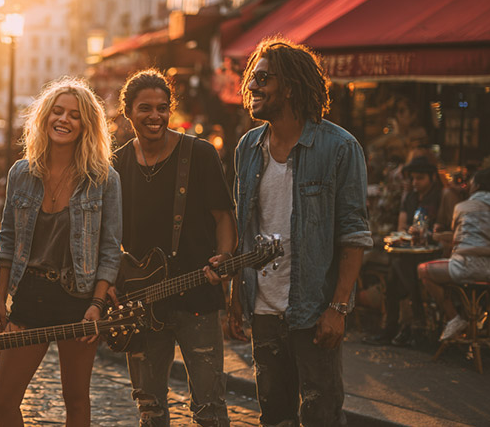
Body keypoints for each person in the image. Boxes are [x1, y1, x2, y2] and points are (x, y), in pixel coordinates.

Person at [231, 38, 372, 426]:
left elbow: (354, 234)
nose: (252, 87)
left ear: (290, 86)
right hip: (263, 309)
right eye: (251, 79)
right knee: (274, 416)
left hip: (313, 311)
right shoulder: (248, 147)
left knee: (320, 414)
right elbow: (245, 227)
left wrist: (338, 307)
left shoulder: (339, 147)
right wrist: (236, 296)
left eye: (262, 78)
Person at [0, 77, 122, 427]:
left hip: (78, 299)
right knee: (3, 400)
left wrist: (96, 304)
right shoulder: (22, 172)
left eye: (75, 115)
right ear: (45, 116)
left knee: (75, 399)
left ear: (86, 126)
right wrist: (1, 300)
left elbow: (110, 249)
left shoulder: (104, 179)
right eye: (58, 111)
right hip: (31, 293)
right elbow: (7, 239)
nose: (64, 120)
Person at [112, 69, 237, 426]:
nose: (155, 116)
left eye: (162, 108)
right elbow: (110, 235)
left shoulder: (198, 154)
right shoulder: (117, 163)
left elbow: (224, 217)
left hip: (198, 295)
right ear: (128, 112)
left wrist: (225, 257)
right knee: (150, 406)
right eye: (145, 108)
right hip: (142, 302)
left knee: (210, 405)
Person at [364, 154, 444, 346]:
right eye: (413, 178)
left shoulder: (440, 196)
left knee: (398, 270)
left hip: (433, 252)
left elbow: (441, 227)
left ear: (432, 178)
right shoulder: (410, 197)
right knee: (398, 268)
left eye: (420, 178)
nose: (416, 182)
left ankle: (398, 326)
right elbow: (401, 227)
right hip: (410, 252)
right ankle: (410, 325)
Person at [418, 167, 490, 341]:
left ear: (476, 185)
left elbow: (457, 237)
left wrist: (433, 235)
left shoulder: (462, 207)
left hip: (465, 267)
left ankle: (455, 318)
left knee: (423, 270)